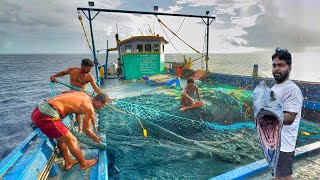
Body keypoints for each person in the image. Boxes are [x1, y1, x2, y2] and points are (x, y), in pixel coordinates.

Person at [31, 92, 111, 170]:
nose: (102, 108)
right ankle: (84, 164)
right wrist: (94, 137)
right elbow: (85, 129)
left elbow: (64, 92)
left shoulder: (83, 94)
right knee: (72, 140)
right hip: (46, 117)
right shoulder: (90, 108)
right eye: (103, 106)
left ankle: (68, 162)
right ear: (98, 102)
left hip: (38, 110)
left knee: (62, 138)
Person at [271, 48, 303, 180]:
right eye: (274, 65)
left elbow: (289, 117)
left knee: (285, 176)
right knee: (278, 174)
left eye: (281, 65)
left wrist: (266, 116)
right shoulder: (274, 88)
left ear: (289, 67)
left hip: (284, 145)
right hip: (274, 142)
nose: (276, 69)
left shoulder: (292, 89)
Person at [50, 58, 103, 133]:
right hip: (72, 94)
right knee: (77, 112)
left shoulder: (89, 77)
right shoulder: (72, 70)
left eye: (90, 68)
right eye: (88, 68)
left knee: (90, 110)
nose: (89, 70)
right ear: (82, 66)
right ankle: (80, 129)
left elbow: (96, 88)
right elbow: (63, 72)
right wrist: (54, 76)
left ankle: (95, 127)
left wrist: (104, 96)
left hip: (82, 94)